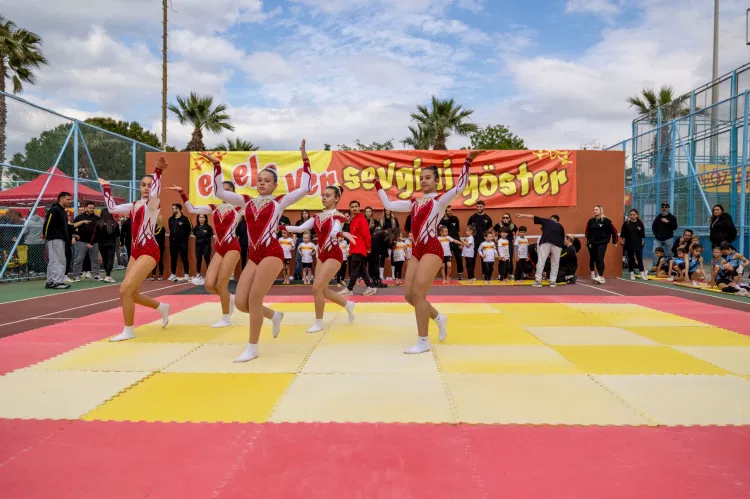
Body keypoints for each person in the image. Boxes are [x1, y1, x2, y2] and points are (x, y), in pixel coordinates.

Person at [207, 139, 311, 362]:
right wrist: (216, 166)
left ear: (275, 185)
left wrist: (305, 159)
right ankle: (274, 315)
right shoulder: (246, 201)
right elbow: (220, 192)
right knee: (241, 303)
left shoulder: (279, 202)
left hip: (272, 253)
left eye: (267, 181)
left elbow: (305, 188)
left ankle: (252, 347)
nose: (262, 183)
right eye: (259, 180)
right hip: (254, 255)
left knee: (254, 298)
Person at [375, 150, 481, 354]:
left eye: (428, 178)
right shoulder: (414, 203)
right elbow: (388, 204)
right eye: (421, 178)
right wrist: (377, 184)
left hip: (432, 248)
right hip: (417, 249)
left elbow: (460, 186)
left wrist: (468, 161)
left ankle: (423, 341)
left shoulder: (439, 201)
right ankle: (439, 318)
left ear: (436, 181)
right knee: (409, 296)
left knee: (419, 294)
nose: (423, 181)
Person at [100, 157, 171, 341]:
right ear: (139, 187)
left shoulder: (153, 205)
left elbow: (155, 195)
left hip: (149, 250)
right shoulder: (133, 205)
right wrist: (106, 187)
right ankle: (162, 307)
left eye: (149, 185)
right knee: (132, 293)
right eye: (143, 185)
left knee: (124, 289)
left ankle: (129, 330)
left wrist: (158, 172)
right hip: (135, 251)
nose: (146, 188)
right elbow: (112, 208)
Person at [283, 185, 357, 332]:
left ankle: (318, 323)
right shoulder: (317, 216)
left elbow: (334, 233)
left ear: (336, 198)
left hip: (333, 254)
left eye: (328, 195)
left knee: (316, 287)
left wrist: (342, 234)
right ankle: (348, 305)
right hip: (321, 255)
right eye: (323, 195)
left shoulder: (338, 216)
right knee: (322, 289)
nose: (324, 197)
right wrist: (281, 228)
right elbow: (301, 229)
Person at [168, 183, 243, 327]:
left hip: (232, 247)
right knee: (209, 284)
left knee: (221, 284)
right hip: (220, 249)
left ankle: (226, 318)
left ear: (234, 193)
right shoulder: (214, 208)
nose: (225, 193)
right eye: (222, 190)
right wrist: (182, 193)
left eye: (228, 191)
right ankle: (229, 298)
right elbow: (192, 209)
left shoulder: (239, 208)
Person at [515, 213, 565, 288]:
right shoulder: (560, 226)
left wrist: (522, 215)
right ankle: (553, 282)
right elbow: (562, 239)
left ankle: (538, 281)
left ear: (550, 219)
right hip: (558, 244)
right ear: (557, 221)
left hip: (546, 241)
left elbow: (533, 216)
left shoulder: (547, 221)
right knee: (555, 263)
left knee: (541, 261)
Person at [339, 200, 377, 296]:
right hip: (355, 249)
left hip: (359, 249)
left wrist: (368, 247)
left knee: (354, 269)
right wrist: (350, 250)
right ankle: (371, 287)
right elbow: (352, 237)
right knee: (361, 269)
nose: (354, 208)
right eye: (352, 207)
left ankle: (349, 288)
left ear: (359, 208)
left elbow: (367, 235)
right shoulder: (354, 221)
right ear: (350, 209)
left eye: (356, 206)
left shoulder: (362, 220)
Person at [44, 192, 74, 289]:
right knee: (58, 260)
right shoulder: (55, 209)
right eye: (68, 199)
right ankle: (58, 282)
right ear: (61, 199)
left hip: (59, 238)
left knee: (54, 260)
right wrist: (46, 235)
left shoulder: (61, 211)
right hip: (55, 238)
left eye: (70, 199)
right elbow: (47, 223)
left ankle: (50, 281)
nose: (70, 201)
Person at [584, 205, 618, 283]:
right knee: (596, 259)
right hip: (593, 243)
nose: (595, 211)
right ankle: (600, 276)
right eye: (594, 210)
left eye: (597, 209)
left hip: (602, 242)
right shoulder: (591, 221)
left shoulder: (606, 221)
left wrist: (614, 241)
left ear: (601, 211)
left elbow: (614, 231)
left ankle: (600, 275)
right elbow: (586, 231)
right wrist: (589, 240)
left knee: (600, 258)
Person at [72, 201, 101, 281]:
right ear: (85, 208)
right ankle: (75, 275)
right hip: (81, 241)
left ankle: (96, 274)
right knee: (79, 258)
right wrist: (73, 237)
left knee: (95, 259)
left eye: (93, 208)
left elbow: (99, 231)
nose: (91, 209)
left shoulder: (97, 218)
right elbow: (72, 227)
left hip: (94, 242)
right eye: (90, 208)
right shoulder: (79, 217)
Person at [167, 203, 192, 282]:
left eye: (173, 209)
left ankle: (186, 274)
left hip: (182, 242)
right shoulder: (170, 219)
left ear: (178, 209)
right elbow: (171, 229)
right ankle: (173, 274)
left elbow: (190, 230)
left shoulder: (186, 219)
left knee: (184, 258)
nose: (172, 210)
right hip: (173, 242)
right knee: (173, 258)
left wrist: (184, 237)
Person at [467, 200, 492, 280]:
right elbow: (468, 228)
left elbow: (490, 229)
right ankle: (471, 276)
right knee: (472, 259)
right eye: (477, 207)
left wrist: (489, 239)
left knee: (484, 259)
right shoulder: (472, 218)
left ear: (484, 207)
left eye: (480, 207)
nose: (479, 208)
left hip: (484, 243)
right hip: (473, 242)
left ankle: (485, 275)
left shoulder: (487, 218)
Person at [620, 208, 647, 281]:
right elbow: (623, 234)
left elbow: (642, 235)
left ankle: (642, 273)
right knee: (631, 259)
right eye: (631, 214)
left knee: (640, 259)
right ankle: (632, 273)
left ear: (637, 215)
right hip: (629, 244)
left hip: (638, 244)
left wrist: (642, 239)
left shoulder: (640, 223)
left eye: (633, 214)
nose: (632, 216)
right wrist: (622, 240)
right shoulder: (626, 224)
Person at [95, 208, 120, 283]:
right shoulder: (114, 223)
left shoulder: (99, 223)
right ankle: (108, 275)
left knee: (105, 259)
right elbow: (118, 234)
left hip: (101, 244)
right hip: (111, 243)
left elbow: (95, 234)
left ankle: (107, 275)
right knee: (110, 259)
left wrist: (91, 243)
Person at [439, 206, 462, 279]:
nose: (450, 212)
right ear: (445, 212)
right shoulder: (441, 221)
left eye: (451, 211)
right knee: (446, 259)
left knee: (459, 257)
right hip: (447, 243)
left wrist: (459, 242)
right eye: (449, 211)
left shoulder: (455, 218)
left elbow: (458, 230)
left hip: (455, 241)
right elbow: (441, 232)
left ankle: (460, 273)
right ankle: (447, 276)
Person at [191, 213, 214, 285]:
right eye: (200, 217)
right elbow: (194, 233)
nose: (201, 219)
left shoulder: (208, 227)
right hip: (198, 245)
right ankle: (198, 274)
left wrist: (207, 242)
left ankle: (210, 275)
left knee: (207, 259)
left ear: (205, 218)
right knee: (198, 260)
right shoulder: (196, 227)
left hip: (206, 245)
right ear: (198, 219)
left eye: (202, 217)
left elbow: (211, 236)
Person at [151, 215, 166, 280]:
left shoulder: (162, 229)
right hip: (153, 247)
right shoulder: (153, 228)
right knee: (153, 261)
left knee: (160, 261)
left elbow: (162, 240)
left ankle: (161, 274)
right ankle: (153, 274)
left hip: (160, 247)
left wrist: (159, 247)